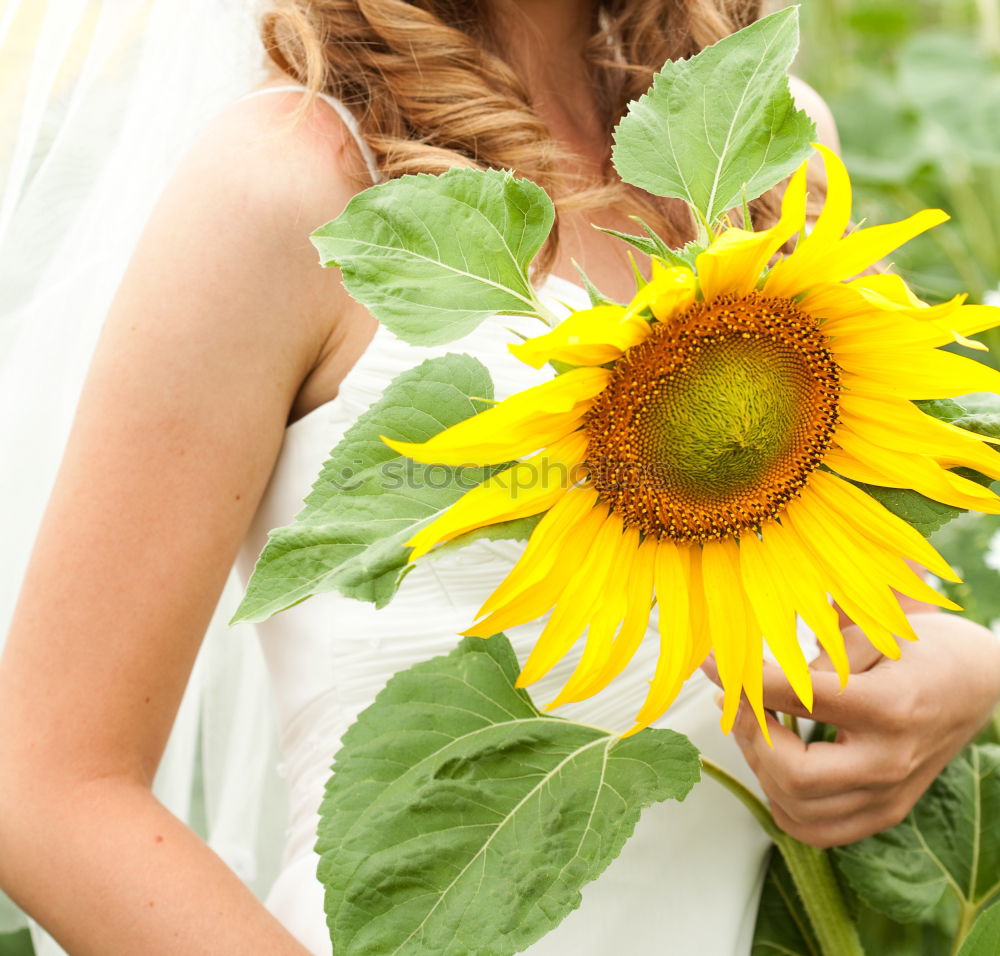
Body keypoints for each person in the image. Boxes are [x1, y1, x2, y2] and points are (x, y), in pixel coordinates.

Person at [1, 1, 999, 953]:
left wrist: (964, 669)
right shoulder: (285, 179)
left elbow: (854, 582)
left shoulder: (766, 136)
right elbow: (48, 788)